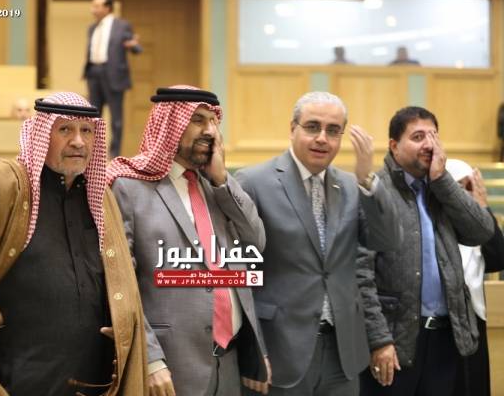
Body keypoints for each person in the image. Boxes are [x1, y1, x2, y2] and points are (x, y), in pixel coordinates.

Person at [0, 92, 148, 396]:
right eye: (65, 129)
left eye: (86, 131)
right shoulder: (4, 184)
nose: (78, 141)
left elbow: (121, 279)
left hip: (91, 384)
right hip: (14, 383)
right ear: (41, 133)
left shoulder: (100, 198)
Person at [235, 91, 402, 395]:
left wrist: (367, 180)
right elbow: (237, 274)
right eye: (312, 127)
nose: (322, 138)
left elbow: (387, 240)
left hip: (342, 352)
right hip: (279, 350)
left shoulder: (351, 185)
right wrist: (251, 349)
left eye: (333, 130)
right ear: (292, 129)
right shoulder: (253, 182)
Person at [107, 85, 270, 395]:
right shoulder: (129, 188)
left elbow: (255, 244)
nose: (210, 130)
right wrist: (151, 359)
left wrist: (222, 180)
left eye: (213, 121)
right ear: (171, 124)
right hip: (171, 367)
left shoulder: (216, 186)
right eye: (197, 120)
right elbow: (120, 286)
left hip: (230, 362)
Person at [356, 107, 495, 396]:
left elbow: (482, 232)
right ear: (394, 145)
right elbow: (360, 275)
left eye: (433, 136)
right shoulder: (375, 190)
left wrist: (443, 180)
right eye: (418, 137)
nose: (429, 144)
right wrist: (379, 339)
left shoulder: (441, 188)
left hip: (446, 338)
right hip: (396, 341)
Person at [446, 159, 504, 396]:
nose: (464, 194)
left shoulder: (477, 226)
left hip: (473, 325)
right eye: (457, 187)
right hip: (441, 325)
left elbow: (499, 258)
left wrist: (482, 206)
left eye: (468, 186)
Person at [84, 0, 142, 158]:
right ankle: (94, 153)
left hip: (114, 75)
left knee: (116, 118)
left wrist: (134, 46)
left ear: (107, 8)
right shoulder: (92, 28)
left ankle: (114, 154)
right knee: (93, 116)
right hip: (94, 72)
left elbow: (136, 48)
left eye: (96, 6)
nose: (92, 9)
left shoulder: (122, 25)